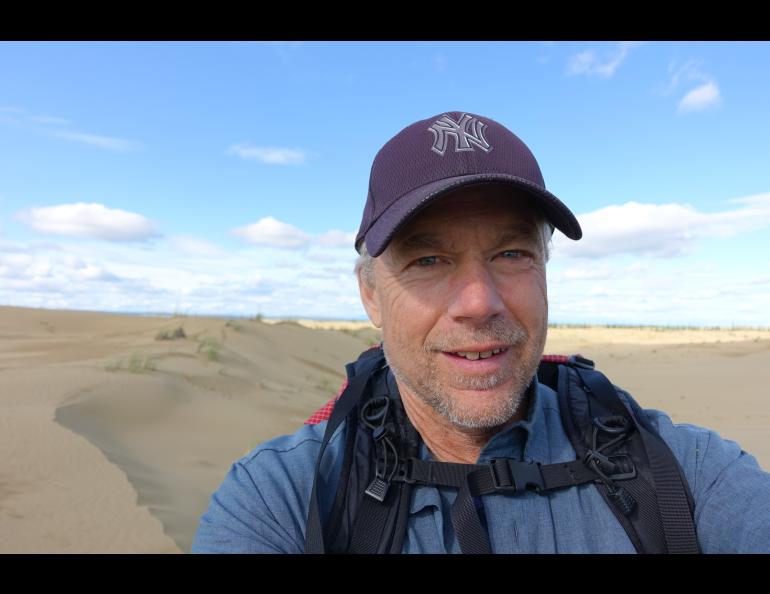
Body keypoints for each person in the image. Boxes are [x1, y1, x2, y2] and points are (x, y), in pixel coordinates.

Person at [191, 111, 770, 554]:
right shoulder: (283, 497)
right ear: (370, 294)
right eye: (428, 261)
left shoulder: (685, 474)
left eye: (513, 253)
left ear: (545, 271)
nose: (479, 302)